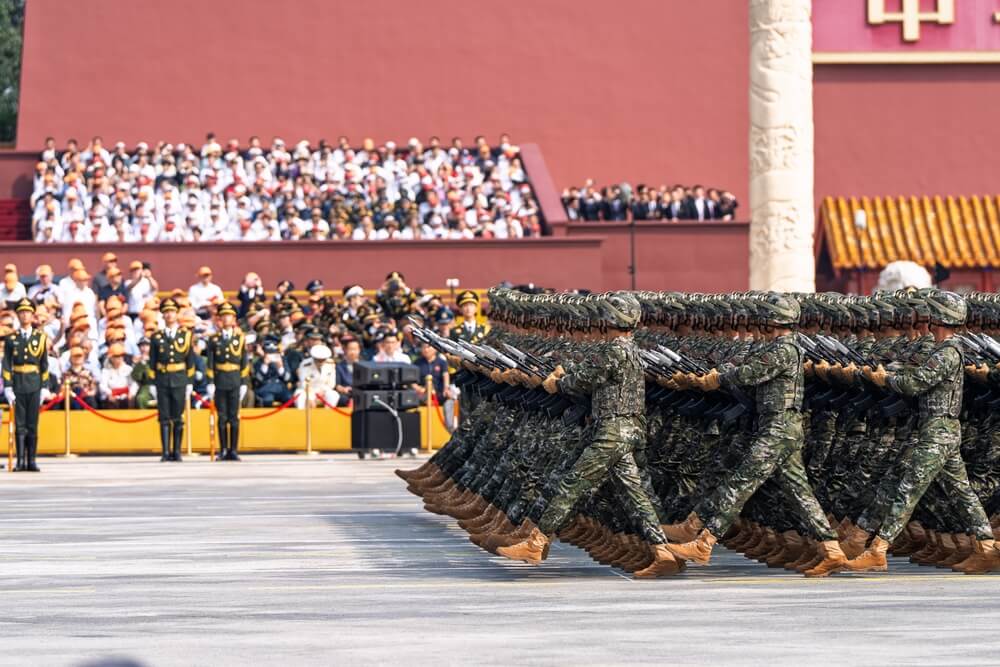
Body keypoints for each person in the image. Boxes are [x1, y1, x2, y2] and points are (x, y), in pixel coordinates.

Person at [662, 293, 847, 577]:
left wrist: (717, 380)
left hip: (778, 428)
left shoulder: (784, 349)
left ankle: (704, 541)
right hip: (780, 427)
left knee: (741, 481)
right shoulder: (783, 346)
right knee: (799, 493)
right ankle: (832, 550)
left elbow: (751, 373)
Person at [845, 290, 999, 574]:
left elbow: (916, 383)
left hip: (938, 430)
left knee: (908, 487)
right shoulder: (943, 350)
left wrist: (886, 379)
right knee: (961, 493)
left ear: (938, 318)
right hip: (937, 428)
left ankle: (877, 549)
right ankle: (987, 548)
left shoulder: (948, 352)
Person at [3, 299, 50, 472]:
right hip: (18, 384)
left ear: (32, 315)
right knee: (19, 424)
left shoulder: (41, 338)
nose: (25, 315)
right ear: (18, 314)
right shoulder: (11, 339)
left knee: (32, 424)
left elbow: (44, 364)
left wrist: (44, 386)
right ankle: (20, 461)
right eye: (21, 312)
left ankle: (32, 461)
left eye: (28, 312)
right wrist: (7, 386)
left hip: (34, 383)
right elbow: (6, 364)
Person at [148, 298, 196, 462]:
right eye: (166, 312)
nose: (169, 315)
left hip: (179, 378)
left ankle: (177, 451)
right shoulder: (157, 337)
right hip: (162, 379)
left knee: (178, 417)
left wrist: (189, 381)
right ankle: (165, 452)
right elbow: (152, 362)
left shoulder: (186, 335)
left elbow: (190, 361)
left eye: (172, 312)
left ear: (177, 314)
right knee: (164, 417)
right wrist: (152, 383)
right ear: (162, 315)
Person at [205, 302, 249, 461]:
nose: (226, 318)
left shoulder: (240, 338)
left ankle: (234, 450)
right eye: (223, 316)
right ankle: (223, 449)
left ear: (234, 318)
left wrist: (244, 382)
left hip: (235, 380)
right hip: (220, 380)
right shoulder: (214, 340)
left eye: (229, 315)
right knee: (222, 417)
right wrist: (210, 382)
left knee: (234, 417)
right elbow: (210, 362)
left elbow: (244, 362)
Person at [335, 336, 361, 407]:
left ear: (359, 350)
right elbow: (337, 385)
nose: (353, 352)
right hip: (347, 394)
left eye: (355, 349)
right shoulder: (339, 366)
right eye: (350, 349)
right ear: (345, 350)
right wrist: (344, 389)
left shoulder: (365, 365)